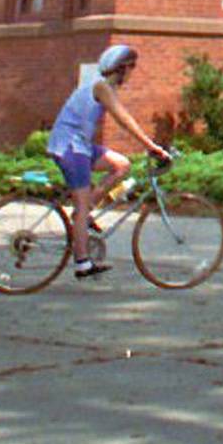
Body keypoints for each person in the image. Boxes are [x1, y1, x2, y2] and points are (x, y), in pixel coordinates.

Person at [47, 43, 170, 276]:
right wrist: (152, 147)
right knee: (81, 207)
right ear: (121, 68)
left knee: (121, 165)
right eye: (131, 67)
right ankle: (82, 262)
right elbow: (123, 119)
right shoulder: (101, 87)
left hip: (80, 145)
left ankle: (84, 212)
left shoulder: (104, 87)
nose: (133, 73)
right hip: (70, 147)